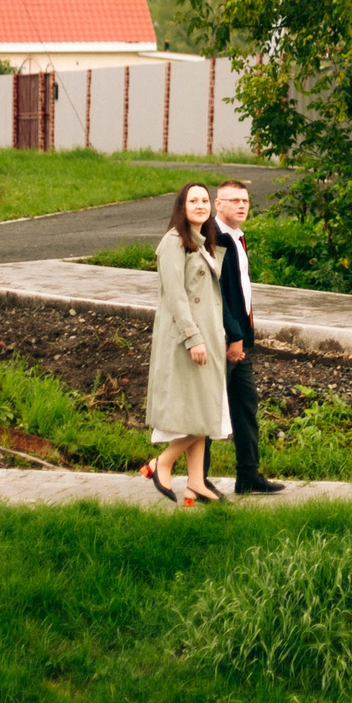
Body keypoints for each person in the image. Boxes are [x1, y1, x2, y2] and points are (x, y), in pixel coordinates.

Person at [141, 183, 231, 506]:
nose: (200, 205)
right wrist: (194, 338)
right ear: (182, 206)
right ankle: (162, 463)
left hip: (208, 337)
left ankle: (195, 482)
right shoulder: (173, 242)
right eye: (193, 200)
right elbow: (176, 296)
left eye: (205, 200)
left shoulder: (204, 243)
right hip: (186, 340)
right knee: (202, 411)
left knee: (202, 408)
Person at [202, 179, 283, 495]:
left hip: (240, 337)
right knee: (211, 407)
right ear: (218, 204)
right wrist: (233, 335)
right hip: (223, 338)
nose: (241, 205)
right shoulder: (214, 238)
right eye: (233, 200)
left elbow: (241, 291)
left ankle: (248, 476)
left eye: (245, 200)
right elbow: (217, 293)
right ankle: (200, 479)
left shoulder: (236, 237)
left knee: (245, 403)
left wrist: (244, 335)